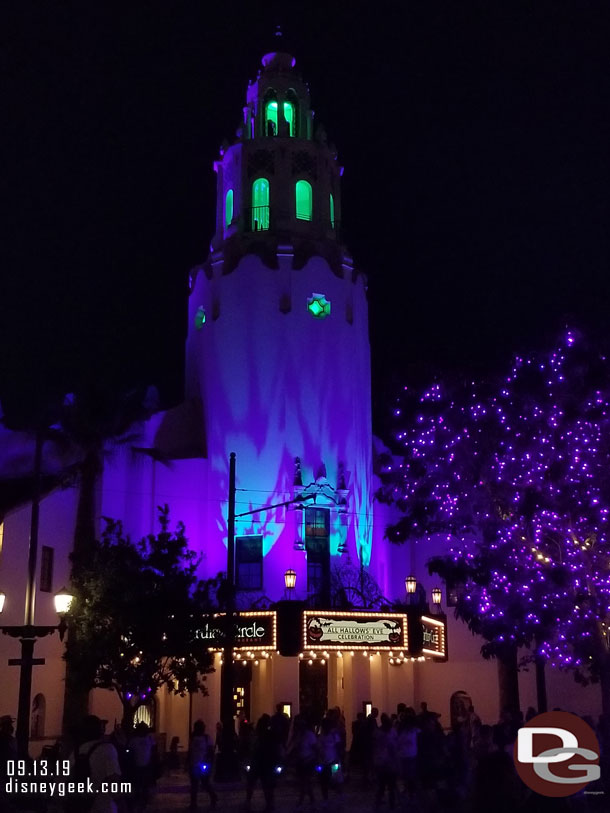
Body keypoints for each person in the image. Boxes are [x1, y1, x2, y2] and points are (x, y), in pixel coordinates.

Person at [73, 715, 122, 813]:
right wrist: (122, 804)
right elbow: (114, 780)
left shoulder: (76, 753)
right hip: (104, 806)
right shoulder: (107, 750)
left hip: (82, 805)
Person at [245, 714, 280, 813]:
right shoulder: (269, 734)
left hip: (259, 761)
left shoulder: (260, 734)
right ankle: (269, 804)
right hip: (266, 762)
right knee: (266, 785)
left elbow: (252, 747)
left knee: (253, 783)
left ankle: (249, 802)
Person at [187, 720, 217, 811]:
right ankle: (193, 803)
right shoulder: (193, 738)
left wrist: (209, 763)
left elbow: (210, 752)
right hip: (194, 764)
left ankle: (213, 797)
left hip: (203, 764)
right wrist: (188, 762)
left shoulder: (207, 738)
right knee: (194, 785)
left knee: (205, 783)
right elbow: (191, 751)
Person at [288, 715, 317, 810]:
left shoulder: (309, 735)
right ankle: (311, 799)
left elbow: (315, 748)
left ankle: (302, 800)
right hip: (301, 761)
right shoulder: (298, 735)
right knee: (304, 781)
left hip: (307, 761)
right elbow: (293, 746)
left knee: (305, 781)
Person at [127, 721, 156, 811]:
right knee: (138, 787)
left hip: (145, 767)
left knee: (144, 788)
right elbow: (129, 752)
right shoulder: (134, 740)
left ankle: (142, 804)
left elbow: (154, 750)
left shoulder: (149, 739)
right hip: (137, 768)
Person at [373, 713, 398, 809]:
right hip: (388, 762)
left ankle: (379, 802)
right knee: (390, 785)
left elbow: (375, 746)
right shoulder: (391, 732)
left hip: (382, 761)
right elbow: (394, 746)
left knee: (382, 785)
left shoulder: (378, 732)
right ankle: (390, 803)